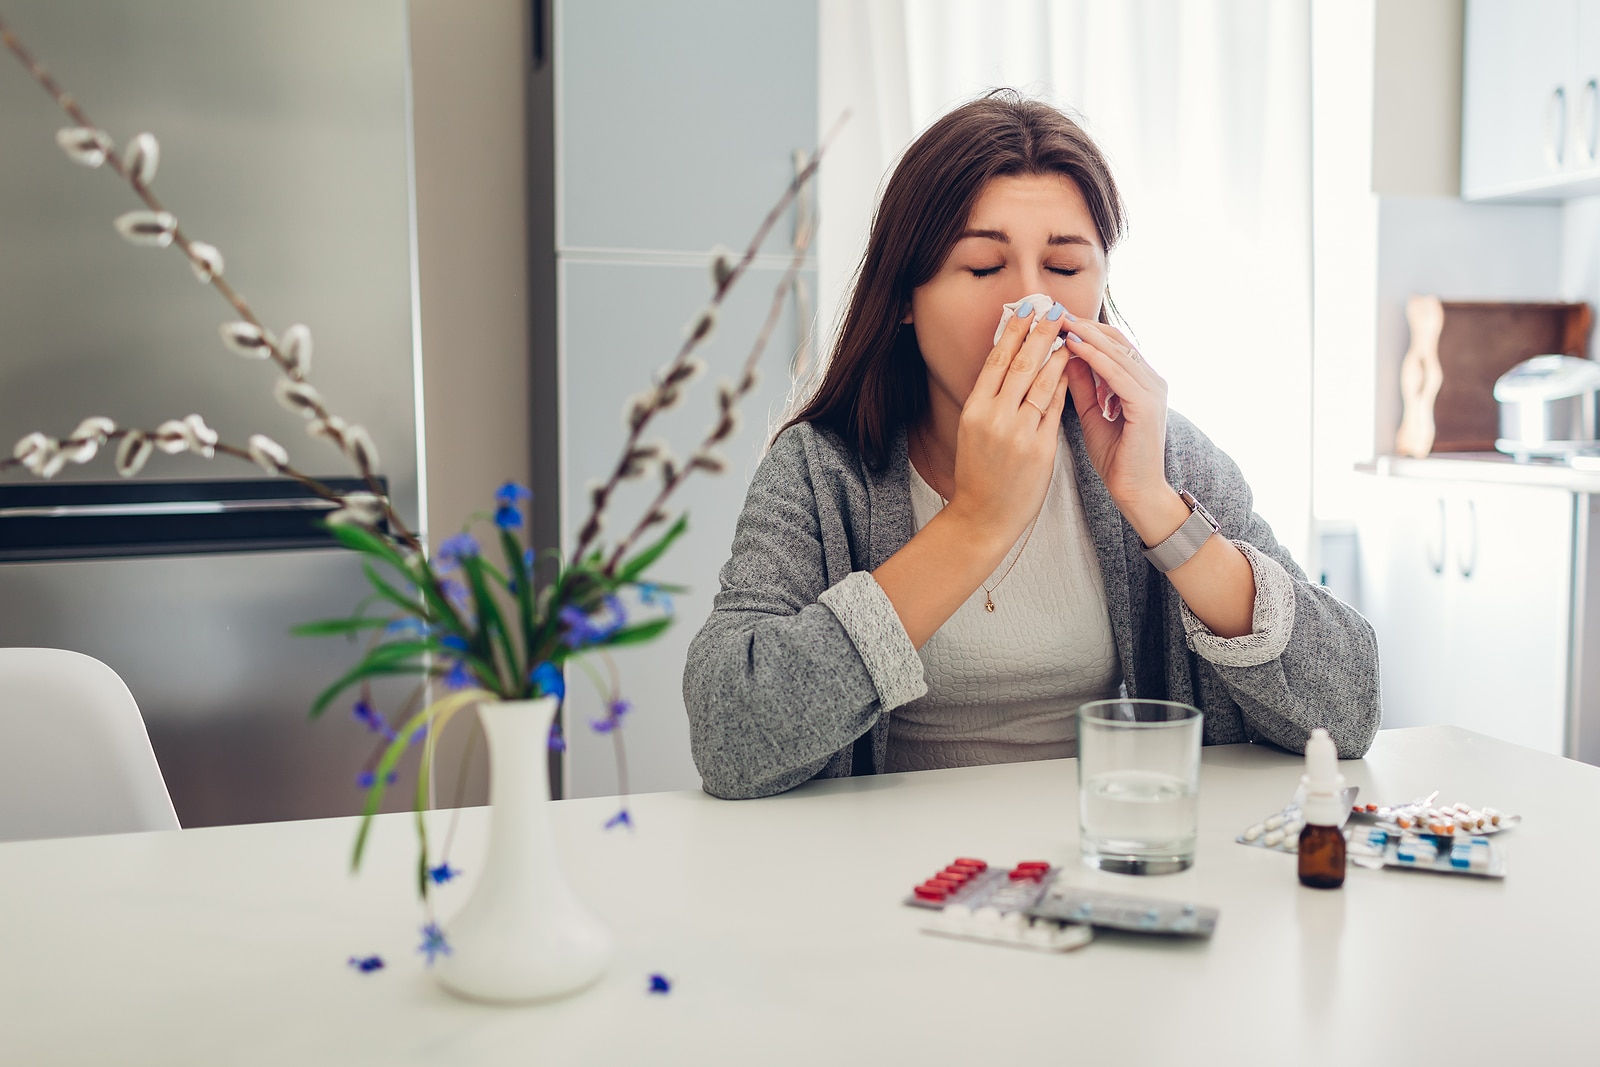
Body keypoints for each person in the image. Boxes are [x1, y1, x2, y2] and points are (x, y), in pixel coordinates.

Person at [683, 91, 1380, 800]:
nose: (1030, 307)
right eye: (984, 268)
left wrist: (1157, 507)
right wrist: (975, 523)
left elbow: (1350, 707)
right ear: (903, 297)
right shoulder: (820, 470)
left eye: (1067, 270)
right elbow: (729, 735)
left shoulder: (1160, 453)